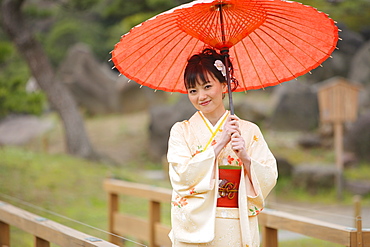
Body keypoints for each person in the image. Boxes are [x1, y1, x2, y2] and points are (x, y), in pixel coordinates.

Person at [167, 48, 278, 247]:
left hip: (234, 224)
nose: (201, 96)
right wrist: (220, 143)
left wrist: (245, 156)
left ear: (224, 85)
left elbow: (269, 176)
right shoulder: (181, 131)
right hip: (196, 225)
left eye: (207, 86)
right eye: (193, 91)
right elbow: (181, 176)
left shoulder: (248, 130)